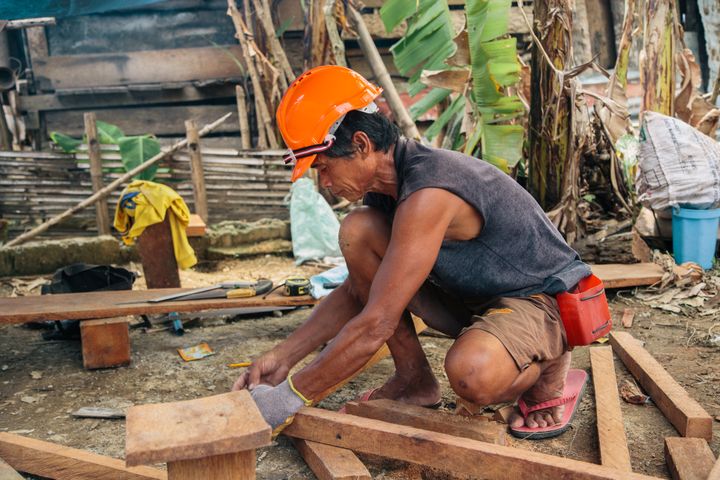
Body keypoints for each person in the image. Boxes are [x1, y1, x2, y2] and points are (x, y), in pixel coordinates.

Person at [233, 65, 592, 438]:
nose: (324, 183)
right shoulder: (386, 190)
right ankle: (414, 381)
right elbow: (359, 294)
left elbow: (377, 324)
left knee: (472, 374)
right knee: (359, 229)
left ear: (361, 145)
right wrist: (282, 357)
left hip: (537, 299)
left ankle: (549, 369)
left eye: (324, 167)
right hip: (476, 296)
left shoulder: (429, 191)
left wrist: (288, 399)